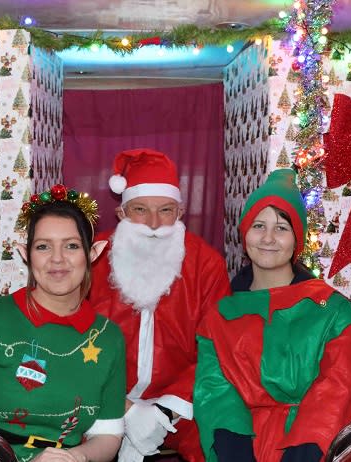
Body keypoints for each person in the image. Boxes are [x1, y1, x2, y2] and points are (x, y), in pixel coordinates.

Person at [0, 184, 126, 462]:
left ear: (93, 254)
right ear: (25, 254)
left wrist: (76, 458)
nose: (57, 259)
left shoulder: (109, 338)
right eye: (43, 246)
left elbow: (107, 436)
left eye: (71, 246)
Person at [193, 169, 351, 462]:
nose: (269, 238)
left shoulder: (334, 313)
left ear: (297, 238)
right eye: (259, 225)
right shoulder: (217, 317)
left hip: (313, 452)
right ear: (244, 232)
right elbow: (215, 396)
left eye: (282, 228)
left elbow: (335, 394)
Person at [89, 149, 231, 462]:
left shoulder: (206, 266)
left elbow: (217, 348)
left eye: (165, 210)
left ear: (180, 213)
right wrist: (124, 409)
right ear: (122, 213)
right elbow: (65, 339)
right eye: (140, 209)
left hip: (182, 403)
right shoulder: (92, 258)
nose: (153, 223)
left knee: (223, 442)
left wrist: (166, 408)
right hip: (97, 399)